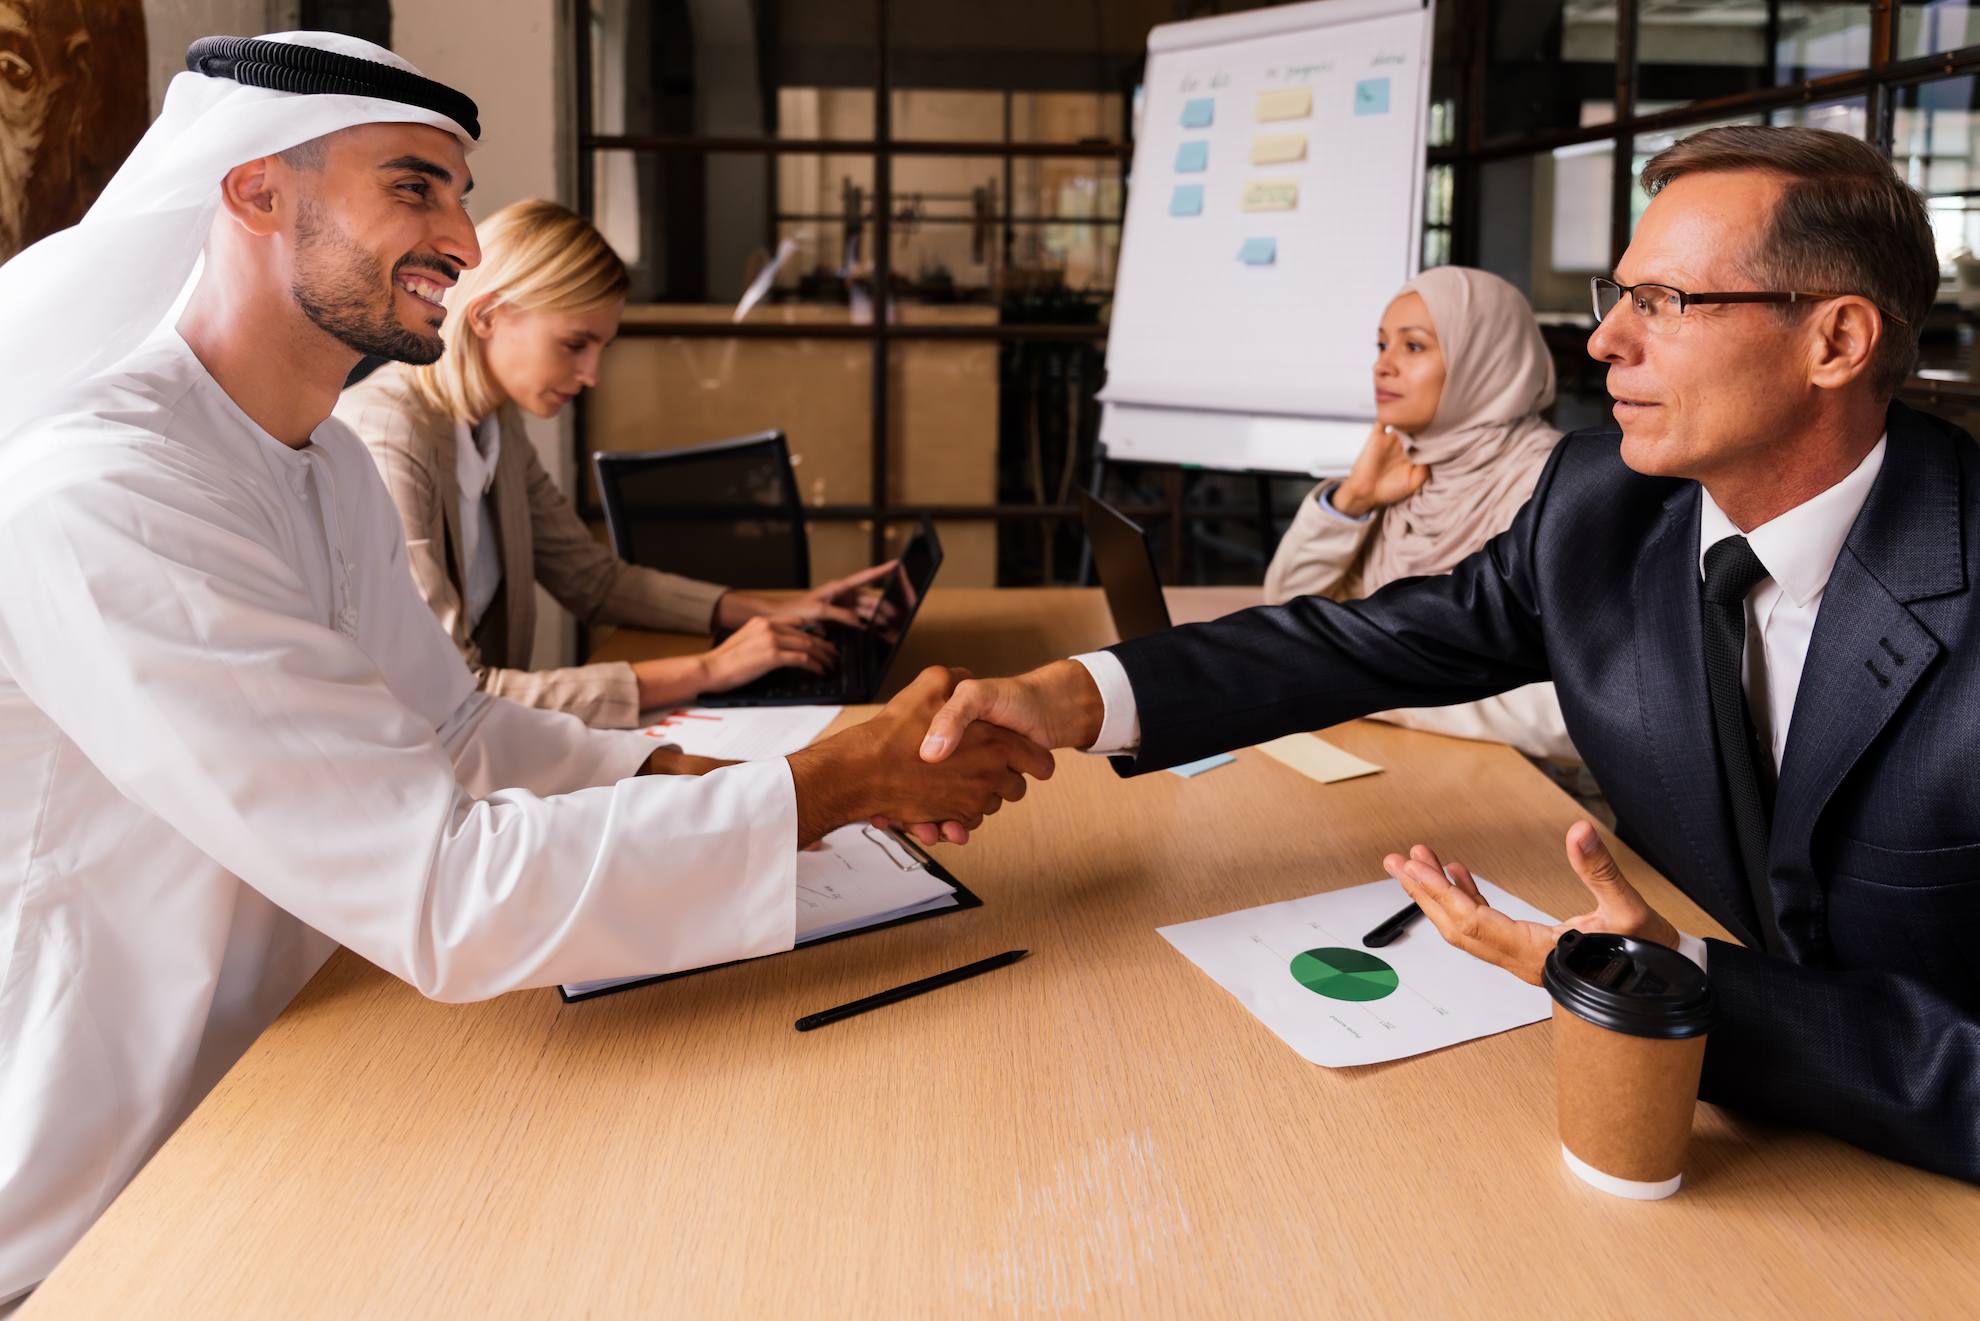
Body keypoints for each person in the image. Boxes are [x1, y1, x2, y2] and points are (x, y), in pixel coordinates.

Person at [0, 33, 1044, 1307]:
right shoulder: (106, 491)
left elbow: (457, 733)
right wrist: (823, 788)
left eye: (459, 190)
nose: (466, 237)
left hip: (301, 1057)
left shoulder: (318, 462)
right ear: (255, 191)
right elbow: (440, 887)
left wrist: (722, 768)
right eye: (414, 186)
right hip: (105, 1168)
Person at [910, 125, 1980, 1183]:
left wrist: (1679, 985)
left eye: (1665, 303)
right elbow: (1363, 641)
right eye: (1619, 297)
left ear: (1834, 342)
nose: (1606, 343)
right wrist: (1080, 694)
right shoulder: (1600, 504)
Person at [337, 199, 895, 728]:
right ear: (487, 316)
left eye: (601, 349)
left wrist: (763, 611)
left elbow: (591, 579)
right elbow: (454, 691)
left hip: (484, 747)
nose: (592, 375)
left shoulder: (491, 423)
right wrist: (710, 668)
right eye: (575, 344)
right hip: (412, 772)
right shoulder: (391, 436)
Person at [1264, 266, 1572, 763]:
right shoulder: (1410, 469)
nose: (1383, 367)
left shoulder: (1554, 488)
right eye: (1381, 345)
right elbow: (1290, 617)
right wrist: (1353, 500)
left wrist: (1377, 685)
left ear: (1485, 361)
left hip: (1525, 787)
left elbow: (1573, 709)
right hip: (1400, 753)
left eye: (1413, 347)